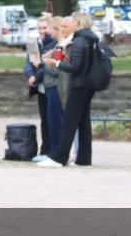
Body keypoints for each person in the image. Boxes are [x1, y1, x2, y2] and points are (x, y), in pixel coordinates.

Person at [38, 12, 99, 168]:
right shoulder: (89, 39)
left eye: (69, 23)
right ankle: (84, 159)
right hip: (87, 85)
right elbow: (81, 64)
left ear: (77, 24)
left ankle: (60, 158)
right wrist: (65, 60)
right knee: (83, 123)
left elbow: (75, 68)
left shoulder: (78, 41)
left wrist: (56, 63)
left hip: (78, 85)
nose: (65, 27)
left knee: (69, 123)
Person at [32, 16, 78, 164]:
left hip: (56, 87)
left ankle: (56, 153)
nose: (48, 32)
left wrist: (45, 63)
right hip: (50, 86)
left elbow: (58, 69)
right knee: (51, 121)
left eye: (50, 28)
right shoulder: (58, 45)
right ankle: (52, 152)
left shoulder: (62, 45)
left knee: (56, 122)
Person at [24, 14, 56, 156]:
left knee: (52, 119)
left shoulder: (54, 43)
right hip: (41, 88)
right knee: (44, 120)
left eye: (45, 28)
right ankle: (44, 150)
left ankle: (52, 150)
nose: (42, 31)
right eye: (39, 28)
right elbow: (29, 62)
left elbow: (47, 66)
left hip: (50, 85)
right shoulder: (34, 42)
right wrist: (30, 75)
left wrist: (35, 78)